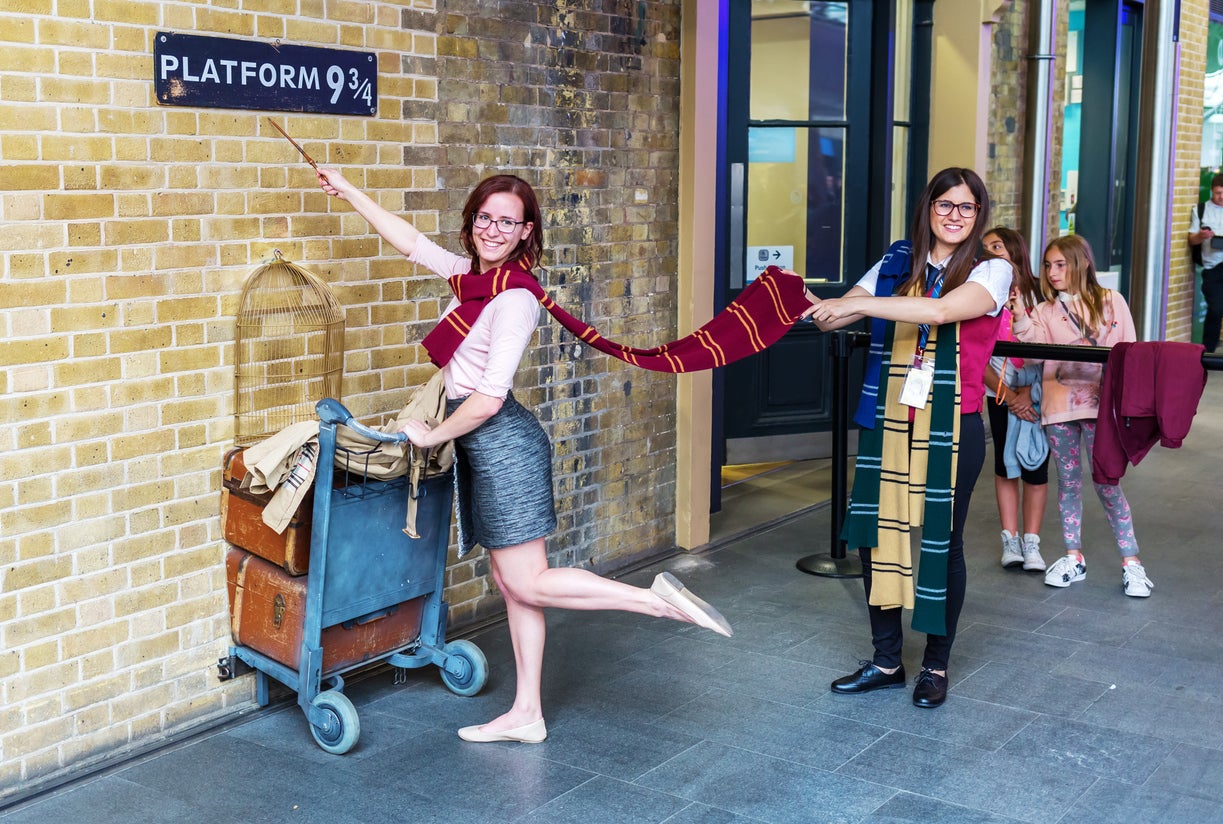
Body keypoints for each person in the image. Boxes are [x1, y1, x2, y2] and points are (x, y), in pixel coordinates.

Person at [315, 167, 732, 744]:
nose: (492, 229)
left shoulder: (513, 300)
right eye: (485, 217)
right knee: (513, 585)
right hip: (484, 449)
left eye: (506, 221)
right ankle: (527, 713)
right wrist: (348, 189)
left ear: (525, 231)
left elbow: (487, 399)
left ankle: (654, 600)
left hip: (504, 445)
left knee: (529, 582)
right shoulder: (471, 280)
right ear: (473, 223)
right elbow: (409, 241)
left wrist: (432, 436)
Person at [803, 167, 1012, 709]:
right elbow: (838, 314)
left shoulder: (992, 271)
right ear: (928, 208)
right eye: (945, 205)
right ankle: (887, 660)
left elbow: (941, 311)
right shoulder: (898, 261)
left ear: (978, 213)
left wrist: (861, 304)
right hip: (891, 419)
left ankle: (936, 666)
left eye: (966, 207)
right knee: (877, 533)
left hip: (953, 424)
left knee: (944, 541)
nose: (954, 216)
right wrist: (805, 301)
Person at [1010, 234, 1150, 597]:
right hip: (1059, 408)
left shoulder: (1111, 301)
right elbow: (1034, 356)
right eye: (1048, 265)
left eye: (1061, 264)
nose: (1053, 272)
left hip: (1102, 409)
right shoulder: (1044, 310)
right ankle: (1074, 556)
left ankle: (1131, 561)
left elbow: (1129, 352)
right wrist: (1021, 317)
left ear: (1082, 263)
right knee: (1068, 482)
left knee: (1107, 483)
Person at [980, 228, 1048, 572]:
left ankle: (1032, 542)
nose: (989, 253)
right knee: (1005, 465)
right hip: (999, 390)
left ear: (1015, 252)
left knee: (1036, 467)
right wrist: (1007, 394)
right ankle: (1010, 539)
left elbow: (1051, 347)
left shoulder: (1043, 294)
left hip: (1038, 390)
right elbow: (976, 353)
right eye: (985, 248)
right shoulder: (981, 294)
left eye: (997, 247)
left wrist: (1028, 394)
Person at [1188, 173, 1223, 353]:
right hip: (1213, 268)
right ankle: (1208, 353)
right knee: (1216, 309)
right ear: (1212, 192)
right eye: (1217, 193)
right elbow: (1192, 239)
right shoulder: (1200, 210)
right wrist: (1202, 236)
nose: (1221, 196)